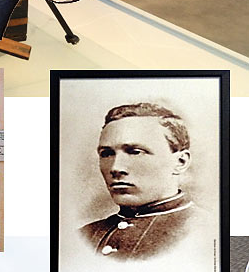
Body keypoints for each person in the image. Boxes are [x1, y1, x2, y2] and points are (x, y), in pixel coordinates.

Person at [78, 103, 208, 260]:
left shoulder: (206, 231)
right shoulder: (83, 236)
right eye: (106, 154)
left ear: (180, 162)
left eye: (135, 152)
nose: (115, 167)